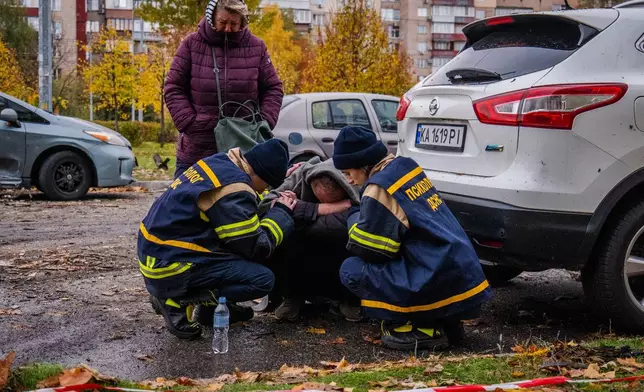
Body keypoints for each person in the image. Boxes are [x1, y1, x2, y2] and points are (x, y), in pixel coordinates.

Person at [332, 126, 492, 350]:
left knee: (352, 269)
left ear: (363, 164)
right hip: (462, 281)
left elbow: (370, 249)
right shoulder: (406, 167)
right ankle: (443, 321)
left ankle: (421, 327)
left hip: (439, 278)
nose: (348, 180)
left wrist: (353, 215)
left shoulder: (379, 187)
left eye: (348, 173)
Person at [137, 139, 296, 339]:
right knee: (261, 279)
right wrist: (281, 214)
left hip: (157, 253)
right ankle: (177, 300)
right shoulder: (235, 188)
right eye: (266, 185)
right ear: (258, 174)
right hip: (170, 263)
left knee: (230, 249)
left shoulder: (220, 163)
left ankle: (212, 309)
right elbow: (255, 248)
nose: (263, 191)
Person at [165, 0, 284, 178]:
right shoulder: (191, 44)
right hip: (197, 146)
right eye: (223, 22)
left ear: (243, 22)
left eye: (234, 24)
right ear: (212, 18)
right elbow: (173, 87)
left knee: (239, 202)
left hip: (242, 147)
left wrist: (264, 122)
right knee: (183, 202)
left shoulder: (257, 47)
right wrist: (189, 122)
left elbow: (273, 88)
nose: (228, 28)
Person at [258, 158, 362, 321]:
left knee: (342, 234)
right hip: (305, 244)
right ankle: (293, 296)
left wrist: (296, 210)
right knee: (279, 231)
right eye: (319, 199)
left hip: (336, 245)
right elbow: (265, 206)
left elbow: (352, 216)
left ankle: (348, 298)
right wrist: (322, 209)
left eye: (331, 202)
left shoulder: (355, 180)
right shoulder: (300, 175)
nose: (323, 204)